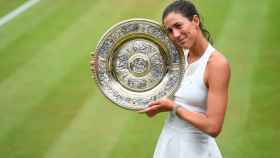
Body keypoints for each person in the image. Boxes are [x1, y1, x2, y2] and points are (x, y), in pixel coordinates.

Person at [139, 0, 231, 157]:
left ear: (195, 21)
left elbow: (213, 127)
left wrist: (174, 107)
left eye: (178, 26)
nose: (175, 35)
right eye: (169, 30)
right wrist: (105, 68)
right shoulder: (178, 56)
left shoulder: (217, 64)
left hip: (196, 150)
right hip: (168, 145)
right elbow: (146, 77)